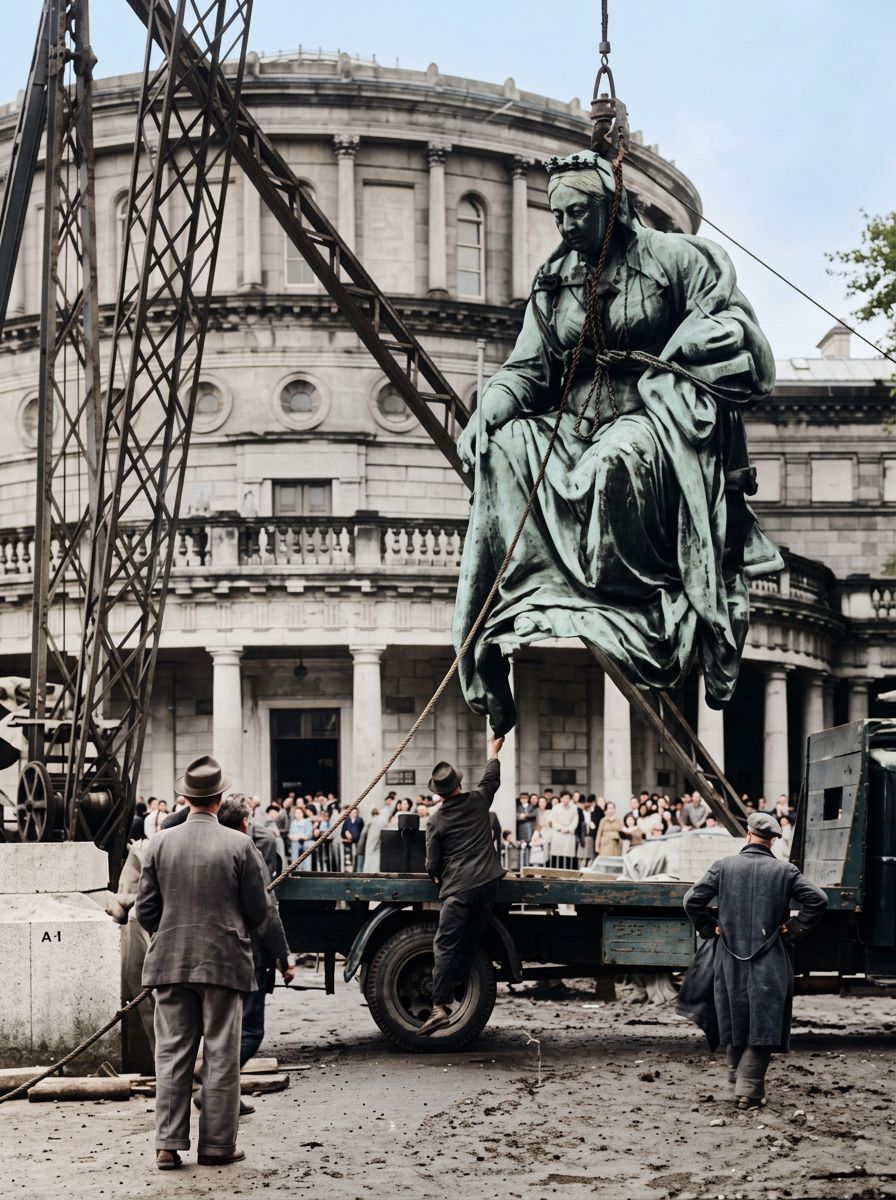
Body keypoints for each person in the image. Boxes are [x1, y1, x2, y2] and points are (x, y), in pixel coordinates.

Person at [452, 150, 781, 739]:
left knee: (615, 460)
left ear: (613, 205)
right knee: (504, 449)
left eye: (579, 211)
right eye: (558, 216)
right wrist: (489, 410)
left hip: (650, 419)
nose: (567, 225)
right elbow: (528, 370)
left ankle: (633, 593)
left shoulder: (679, 260)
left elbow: (739, 333)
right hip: (572, 422)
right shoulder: (555, 284)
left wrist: (694, 348)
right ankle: (496, 624)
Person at [134, 755, 269, 1170]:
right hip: (223, 963)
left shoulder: (158, 844)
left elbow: (145, 911)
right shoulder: (240, 844)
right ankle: (216, 1146)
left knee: (172, 1054)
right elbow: (259, 910)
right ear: (219, 797)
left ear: (185, 797)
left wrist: (173, 930)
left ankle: (168, 1146)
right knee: (221, 1055)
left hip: (170, 961)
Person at [680, 812, 827, 1108]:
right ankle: (748, 1091)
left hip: (729, 959)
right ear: (772, 841)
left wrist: (711, 928)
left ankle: (738, 1083)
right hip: (770, 960)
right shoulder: (785, 871)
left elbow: (691, 900)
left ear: (747, 834)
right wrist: (792, 929)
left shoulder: (723, 867)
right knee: (764, 1024)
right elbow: (818, 899)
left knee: (735, 1019)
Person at [419, 734, 505, 1036]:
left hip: (460, 889)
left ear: (439, 793)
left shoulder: (436, 820)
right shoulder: (479, 800)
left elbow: (432, 866)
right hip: (489, 884)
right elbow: (491, 778)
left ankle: (440, 1005)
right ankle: (461, 988)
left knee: (445, 944)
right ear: (458, 784)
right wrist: (492, 750)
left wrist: (437, 874)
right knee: (470, 939)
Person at [216, 794, 295, 1098]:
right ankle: (214, 1088)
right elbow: (266, 913)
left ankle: (225, 1096)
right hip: (245, 954)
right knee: (249, 1030)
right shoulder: (247, 850)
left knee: (221, 1030)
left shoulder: (205, 847)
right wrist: (283, 957)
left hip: (211, 956)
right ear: (246, 822)